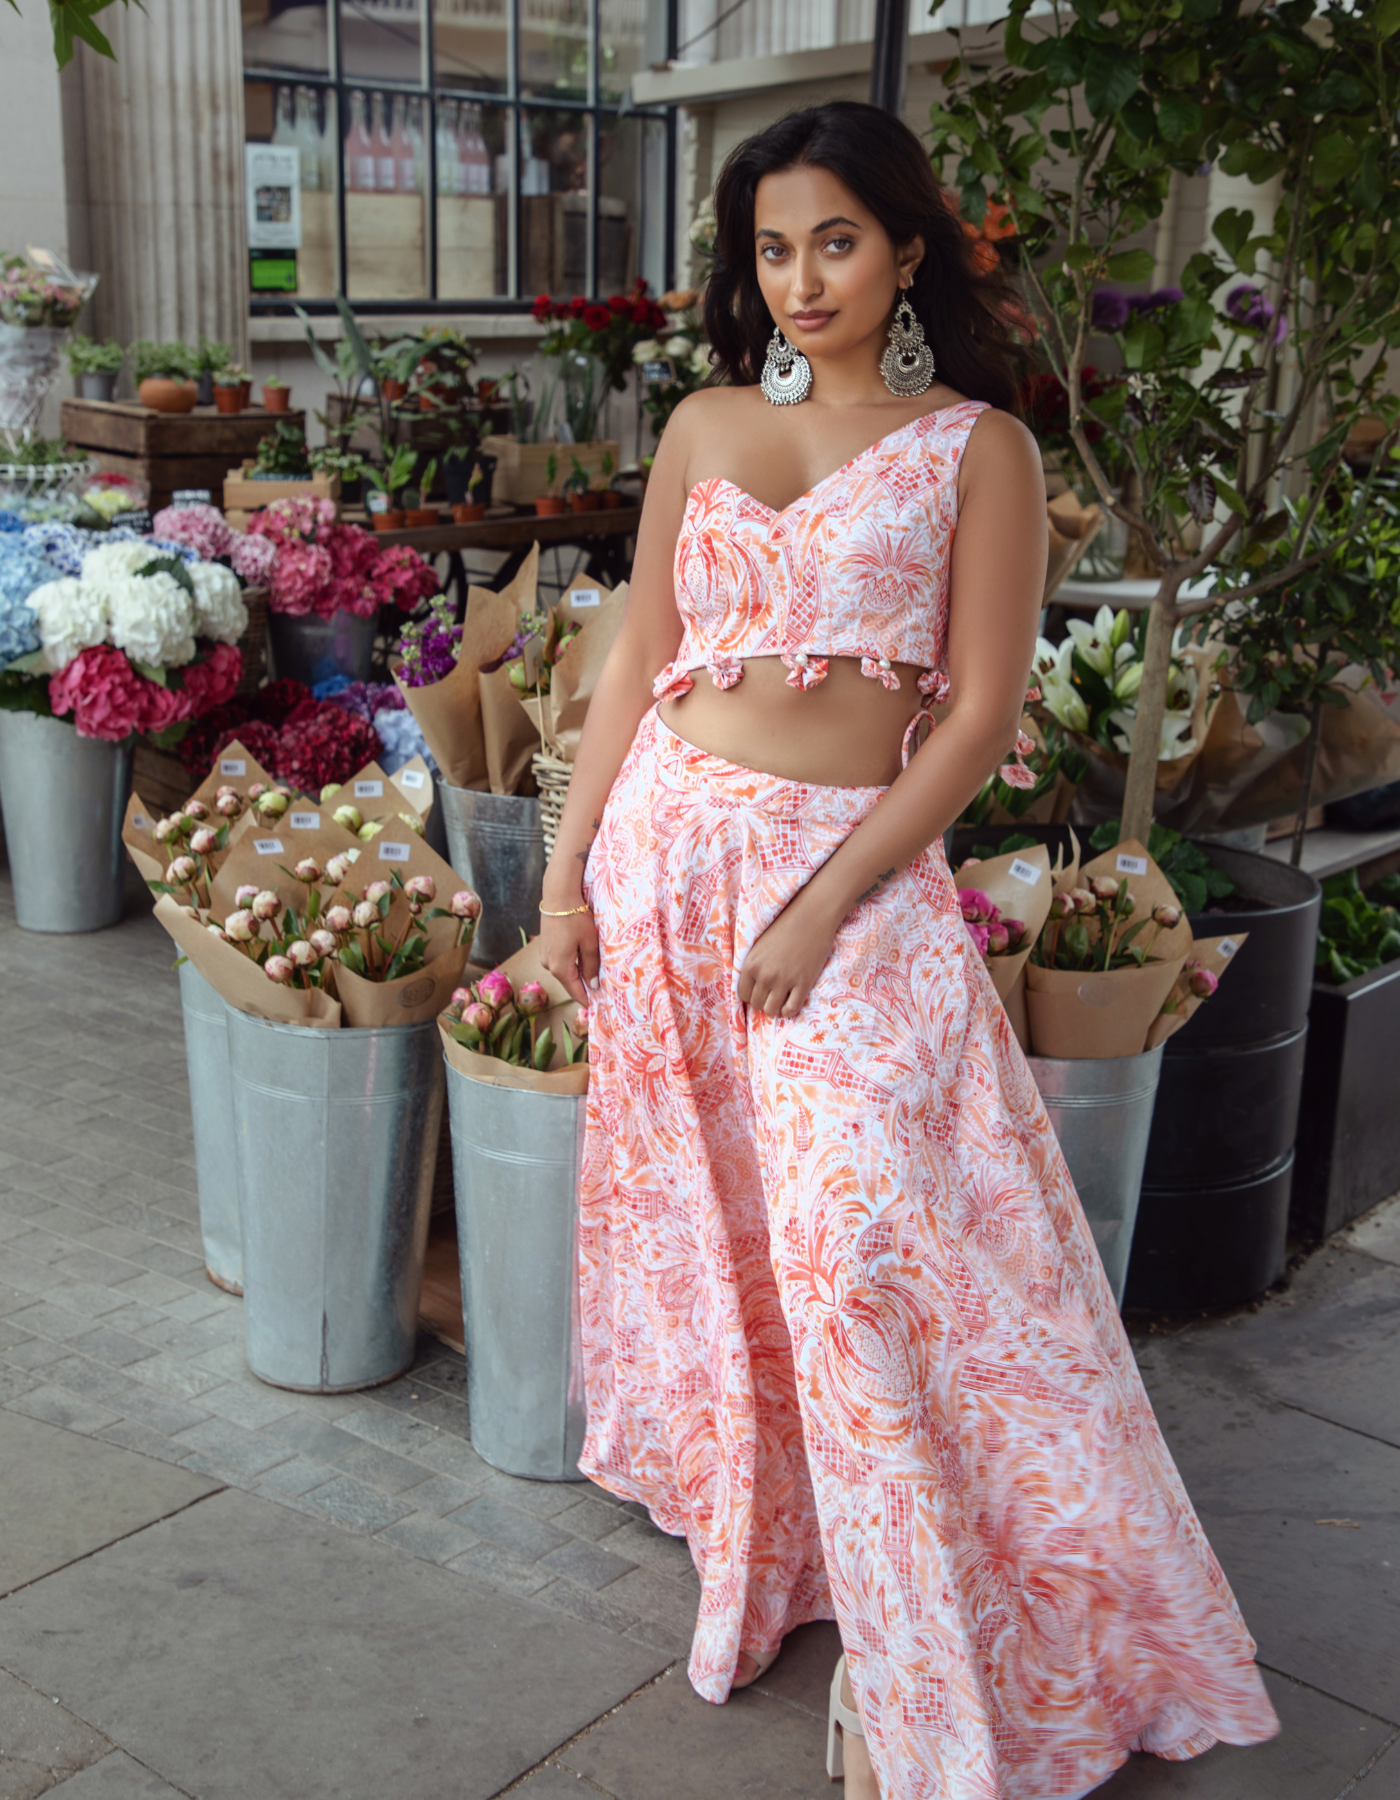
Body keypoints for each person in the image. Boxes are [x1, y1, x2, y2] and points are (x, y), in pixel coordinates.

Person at [540, 100, 1278, 1800]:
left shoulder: (979, 452)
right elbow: (637, 652)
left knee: (871, 1242)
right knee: (723, 1235)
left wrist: (825, 901)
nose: (801, 279)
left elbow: (977, 720)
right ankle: (791, 1554)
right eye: (772, 248)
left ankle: (922, 1651)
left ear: (910, 251)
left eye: (838, 241)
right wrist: (569, 878)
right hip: (665, 863)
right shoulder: (705, 423)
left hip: (844, 882)